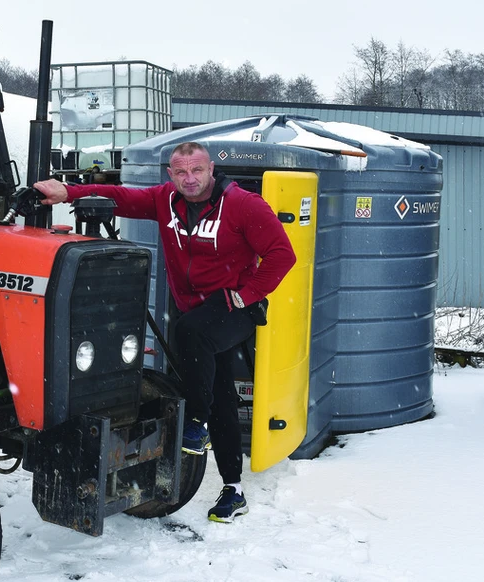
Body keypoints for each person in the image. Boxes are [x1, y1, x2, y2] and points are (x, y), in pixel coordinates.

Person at [34, 141, 295, 522]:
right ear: (171, 175)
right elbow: (120, 196)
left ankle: (196, 424)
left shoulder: (242, 205)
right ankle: (233, 490)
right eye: (181, 172)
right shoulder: (165, 200)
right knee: (220, 393)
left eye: (197, 170)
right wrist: (68, 191)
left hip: (233, 306)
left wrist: (248, 293)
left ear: (210, 170)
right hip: (197, 310)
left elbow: (282, 253)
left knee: (192, 334)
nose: (190, 179)